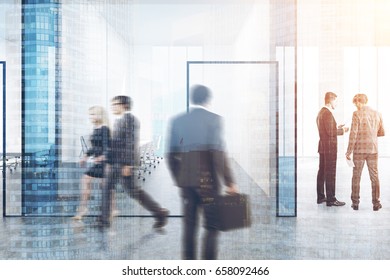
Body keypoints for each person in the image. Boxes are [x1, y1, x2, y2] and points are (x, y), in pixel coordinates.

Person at [166, 85, 238, 260]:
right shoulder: (214, 119)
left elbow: (169, 155)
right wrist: (229, 181)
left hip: (186, 183)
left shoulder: (177, 120)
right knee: (212, 226)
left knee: (189, 227)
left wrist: (180, 178)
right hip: (209, 183)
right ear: (208, 100)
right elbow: (218, 153)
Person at [100, 95, 169, 229]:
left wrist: (129, 164)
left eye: (115, 104)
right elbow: (115, 144)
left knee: (133, 192)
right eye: (112, 104)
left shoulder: (131, 120)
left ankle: (160, 213)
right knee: (106, 187)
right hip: (115, 163)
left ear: (124, 105)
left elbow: (131, 143)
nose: (113, 107)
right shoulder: (118, 121)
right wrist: (108, 162)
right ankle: (103, 220)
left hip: (124, 164)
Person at [345, 93, 384, 211]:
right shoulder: (377, 113)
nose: (355, 106)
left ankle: (355, 203)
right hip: (373, 149)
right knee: (374, 176)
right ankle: (376, 203)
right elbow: (381, 132)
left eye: (355, 103)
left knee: (356, 176)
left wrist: (348, 151)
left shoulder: (356, 114)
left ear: (358, 102)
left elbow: (353, 134)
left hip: (359, 151)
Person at [74, 106, 111, 220]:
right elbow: (94, 147)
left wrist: (102, 157)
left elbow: (107, 146)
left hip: (104, 162)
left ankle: (87, 208)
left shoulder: (105, 129)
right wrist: (85, 156)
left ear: (100, 115)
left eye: (93, 114)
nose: (91, 117)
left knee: (103, 185)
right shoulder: (96, 128)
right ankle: (85, 208)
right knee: (94, 182)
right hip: (98, 161)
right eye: (90, 114)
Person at [316, 92, 349, 206]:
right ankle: (331, 199)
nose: (336, 103)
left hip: (322, 147)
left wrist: (336, 127)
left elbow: (326, 129)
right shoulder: (328, 113)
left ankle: (321, 197)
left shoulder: (321, 113)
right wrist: (343, 130)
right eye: (335, 101)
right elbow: (331, 132)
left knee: (322, 171)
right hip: (330, 148)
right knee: (330, 173)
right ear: (330, 100)